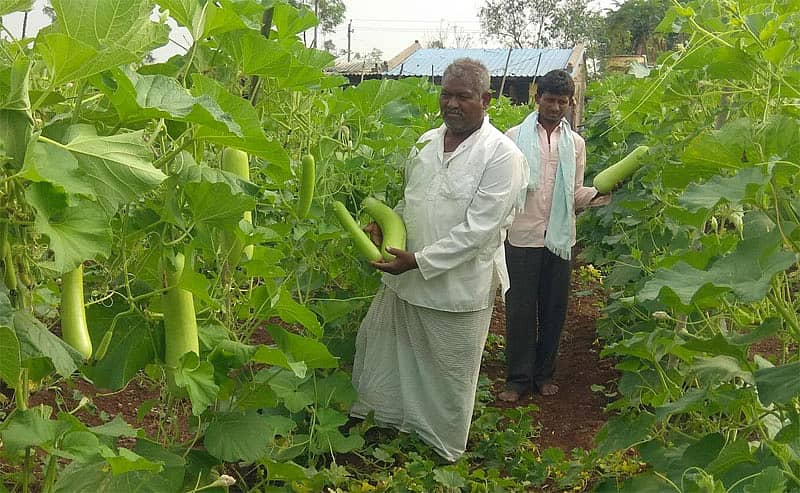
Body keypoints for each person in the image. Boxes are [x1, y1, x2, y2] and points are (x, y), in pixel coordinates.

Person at [349, 58, 528, 462]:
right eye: (446, 94)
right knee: (381, 348)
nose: (451, 103)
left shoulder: (503, 155)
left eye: (463, 96)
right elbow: (411, 199)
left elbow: (480, 230)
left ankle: (440, 450)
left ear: (485, 100)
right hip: (405, 277)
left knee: (448, 374)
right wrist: (385, 227)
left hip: (457, 286)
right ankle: (388, 425)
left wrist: (418, 260)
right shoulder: (426, 142)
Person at [499, 69, 610, 402]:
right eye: (550, 100)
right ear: (537, 98)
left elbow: (573, 193)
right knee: (519, 308)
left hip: (560, 238)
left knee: (554, 308)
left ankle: (544, 375)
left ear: (570, 104)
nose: (555, 106)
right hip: (521, 234)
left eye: (563, 101)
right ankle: (517, 379)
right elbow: (506, 188)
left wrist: (599, 195)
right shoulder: (513, 136)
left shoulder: (575, 144)